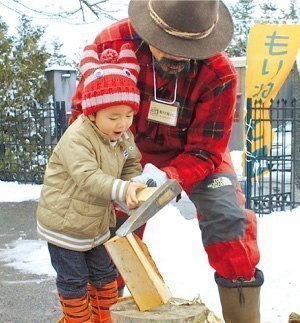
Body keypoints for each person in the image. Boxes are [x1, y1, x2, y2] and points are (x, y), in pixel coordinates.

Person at [71, 1, 264, 322]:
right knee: (111, 229)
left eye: (189, 48)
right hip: (126, 150)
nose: (177, 55)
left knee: (228, 220)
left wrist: (169, 178)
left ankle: (243, 313)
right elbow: (85, 120)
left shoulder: (220, 74)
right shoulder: (112, 46)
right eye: (170, 46)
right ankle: (102, 312)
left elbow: (206, 151)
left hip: (195, 154)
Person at [37, 43, 147, 322]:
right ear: (92, 112)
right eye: (113, 116)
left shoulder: (122, 136)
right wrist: (122, 189)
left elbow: (130, 161)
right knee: (74, 280)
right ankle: (77, 320)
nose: (122, 123)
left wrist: (135, 183)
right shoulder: (78, 138)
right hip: (66, 226)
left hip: (97, 224)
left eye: (128, 115)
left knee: (105, 275)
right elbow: (87, 177)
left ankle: (104, 318)